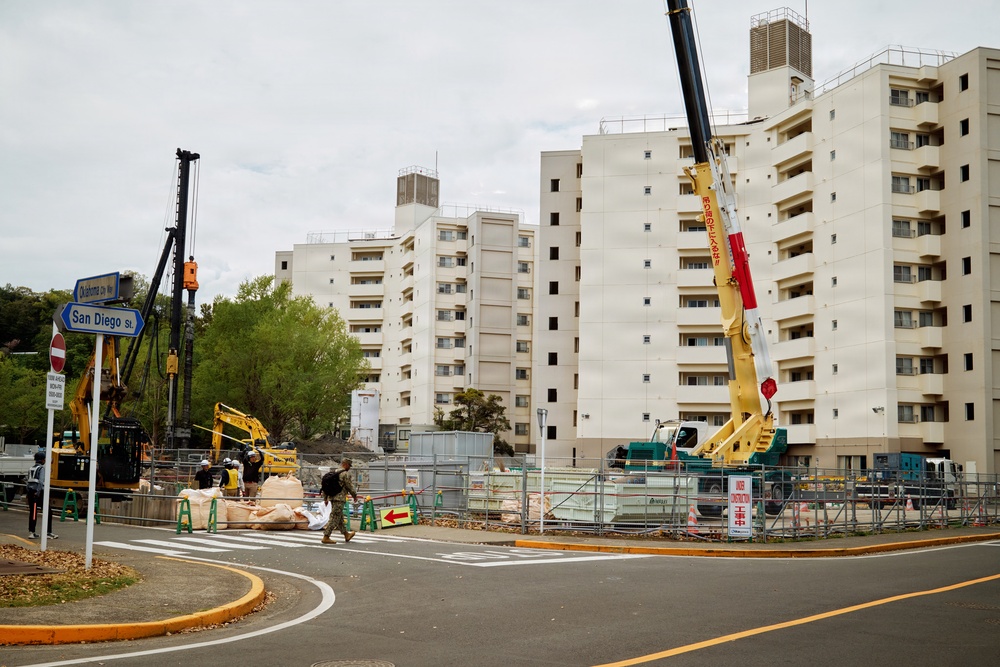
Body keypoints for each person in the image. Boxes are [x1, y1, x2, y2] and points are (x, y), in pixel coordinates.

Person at [322, 458, 359, 545]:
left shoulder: (334, 473)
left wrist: (325, 498)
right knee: (335, 517)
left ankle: (346, 534)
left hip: (332, 497)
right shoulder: (345, 474)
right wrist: (354, 495)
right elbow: (349, 486)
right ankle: (326, 536)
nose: (349, 467)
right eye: (349, 465)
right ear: (345, 464)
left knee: (339, 517)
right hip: (339, 498)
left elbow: (326, 486)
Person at [26, 452, 56, 539]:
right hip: (39, 493)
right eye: (44, 459)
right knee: (48, 512)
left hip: (30, 492)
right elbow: (41, 481)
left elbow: (28, 481)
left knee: (33, 512)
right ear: (42, 460)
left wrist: (28, 492)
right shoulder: (41, 469)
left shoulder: (31, 468)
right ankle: (48, 532)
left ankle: (32, 532)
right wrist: (38, 492)